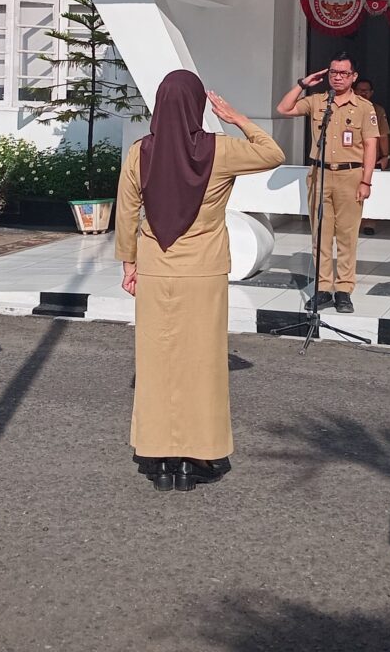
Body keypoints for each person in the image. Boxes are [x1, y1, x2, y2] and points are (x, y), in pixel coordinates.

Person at [116, 71, 284, 490]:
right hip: (204, 270)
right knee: (202, 364)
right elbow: (273, 153)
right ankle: (196, 459)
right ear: (197, 106)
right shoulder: (221, 151)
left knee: (157, 364)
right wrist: (236, 117)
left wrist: (129, 264)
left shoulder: (140, 153)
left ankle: (159, 460)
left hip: (157, 267)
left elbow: (126, 212)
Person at [277, 54, 378, 314]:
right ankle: (322, 288)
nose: (338, 77)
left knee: (346, 236)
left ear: (354, 76)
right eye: (334, 72)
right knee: (320, 235)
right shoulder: (317, 101)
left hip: (350, 176)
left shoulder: (364, 107)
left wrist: (366, 181)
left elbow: (370, 146)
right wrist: (303, 84)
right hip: (319, 174)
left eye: (344, 73)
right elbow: (284, 109)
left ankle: (343, 290)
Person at [354, 77, 389, 236]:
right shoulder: (349, 107)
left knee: (370, 190)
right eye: (360, 90)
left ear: (372, 92)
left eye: (366, 90)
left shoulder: (378, 110)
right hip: (352, 157)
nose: (363, 93)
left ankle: (369, 223)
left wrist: (386, 156)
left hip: (372, 157)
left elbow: (383, 135)